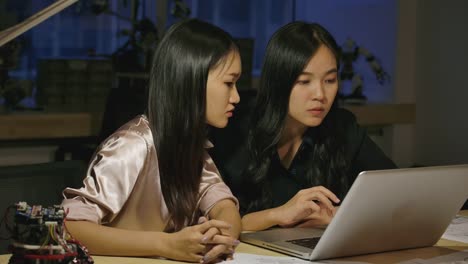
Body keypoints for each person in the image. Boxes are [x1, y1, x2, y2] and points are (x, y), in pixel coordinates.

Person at [61, 19, 242, 263]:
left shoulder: (191, 147)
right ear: (191, 81)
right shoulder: (133, 145)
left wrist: (221, 234)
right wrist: (166, 244)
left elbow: (223, 203)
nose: (237, 97)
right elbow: (70, 228)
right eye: (229, 83)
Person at [209, 21, 396, 232]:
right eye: (304, 81)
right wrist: (277, 215)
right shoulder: (234, 128)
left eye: (330, 80)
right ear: (278, 82)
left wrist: (338, 216)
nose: (320, 95)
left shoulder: (342, 126)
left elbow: (394, 191)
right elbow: (210, 220)